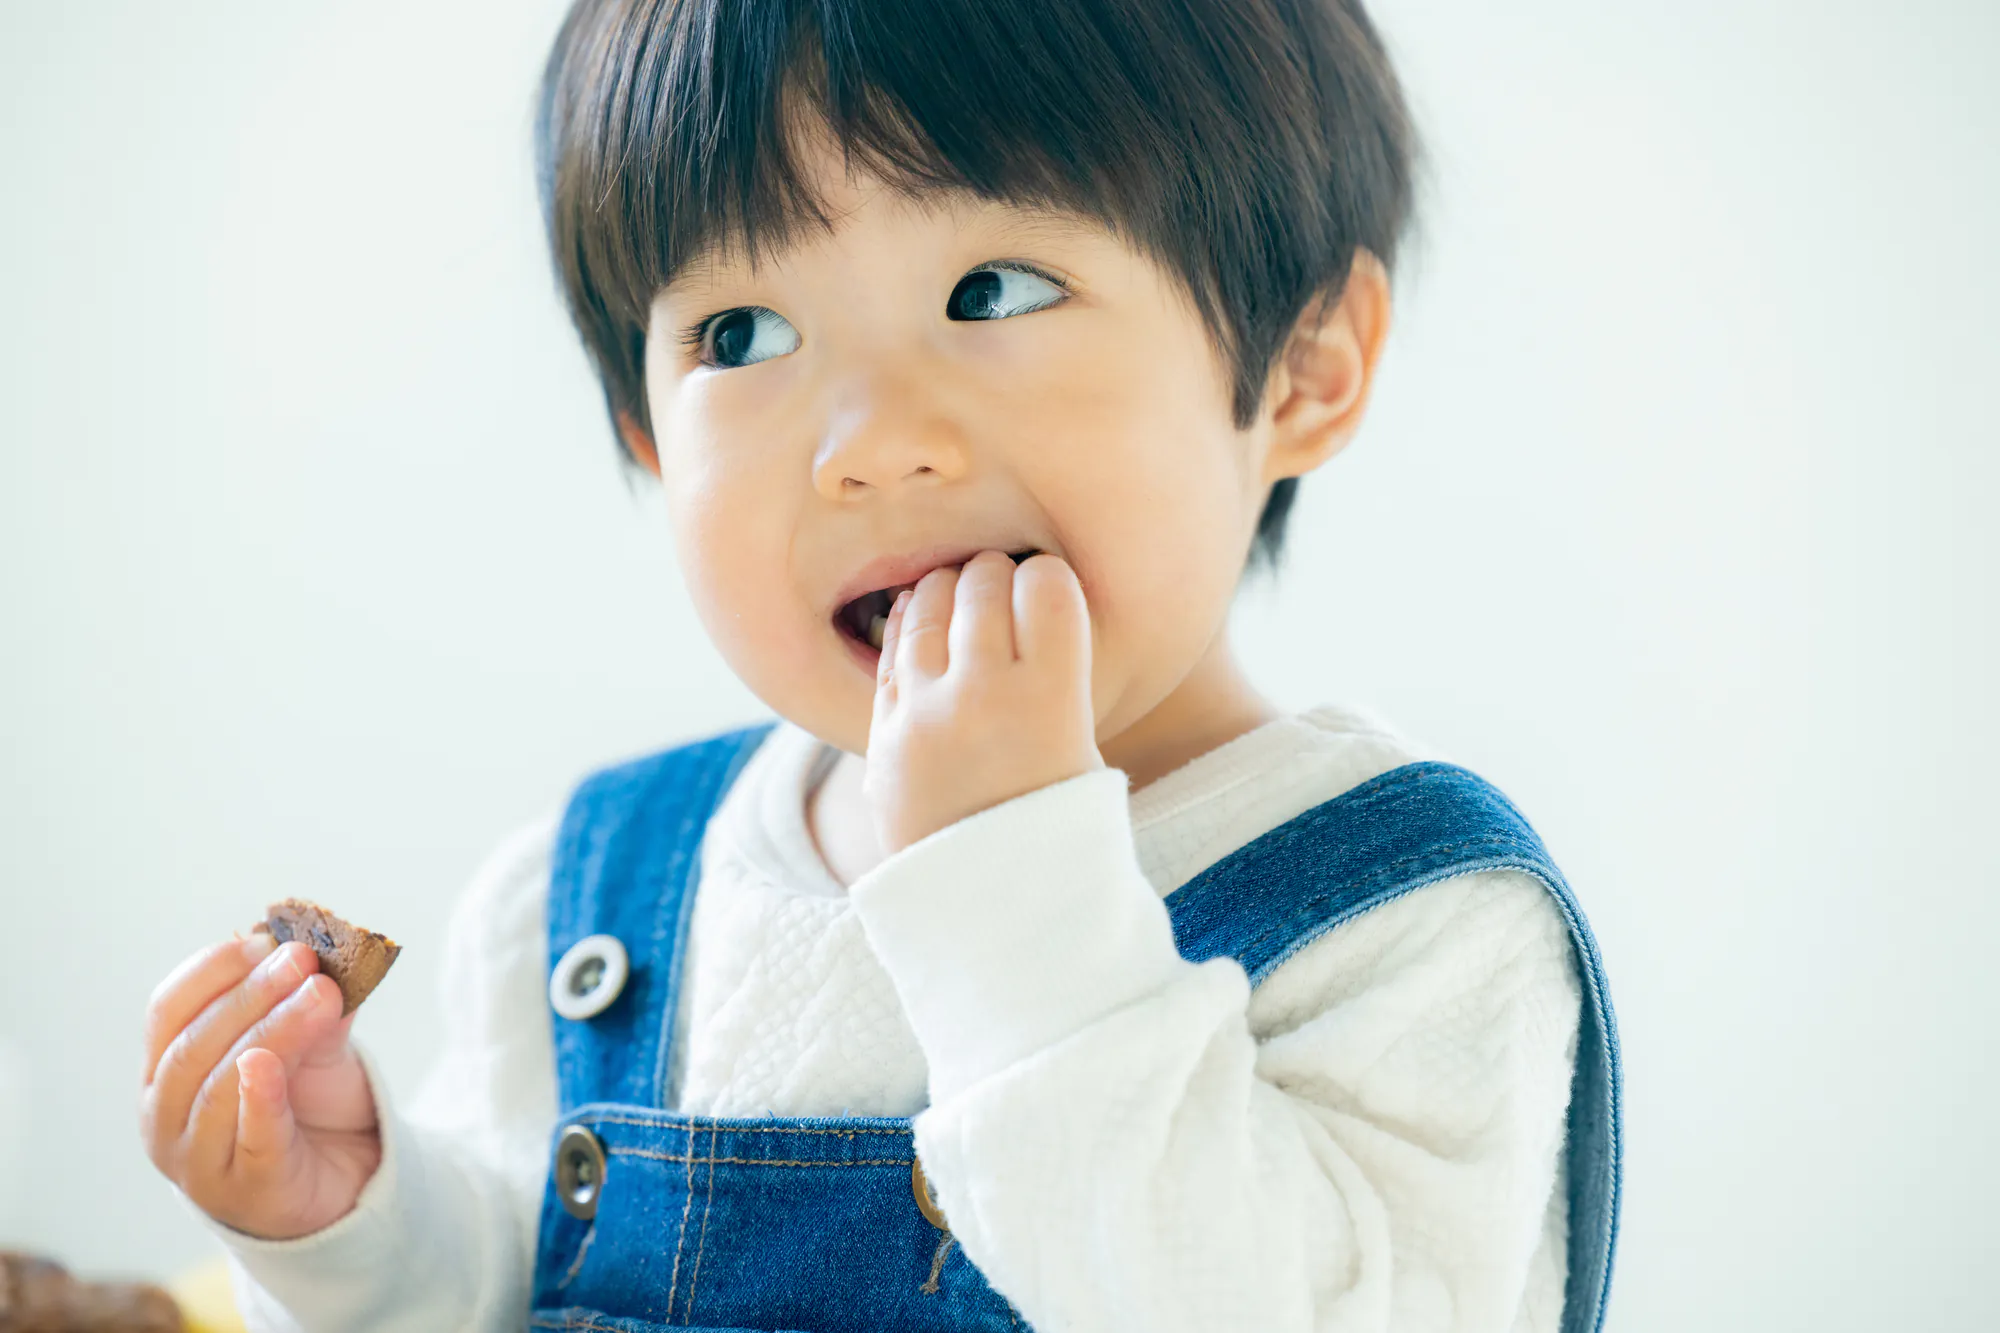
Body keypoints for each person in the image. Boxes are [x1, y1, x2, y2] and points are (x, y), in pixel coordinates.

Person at [138, 0, 1624, 1328]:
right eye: (741, 329)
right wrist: (354, 1235)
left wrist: (1009, 885)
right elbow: (522, 1283)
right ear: (649, 435)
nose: (868, 443)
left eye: (995, 290)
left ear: (1303, 365)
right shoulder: (589, 904)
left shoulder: (1412, 921)